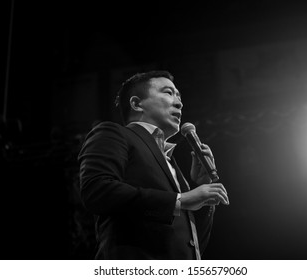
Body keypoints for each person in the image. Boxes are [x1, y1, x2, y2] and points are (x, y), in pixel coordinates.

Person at [78, 70, 229, 259]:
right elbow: (97, 191)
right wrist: (180, 200)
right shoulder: (113, 133)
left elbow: (192, 244)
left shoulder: (171, 164)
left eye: (179, 96)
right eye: (168, 92)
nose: (179, 103)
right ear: (136, 103)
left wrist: (200, 190)